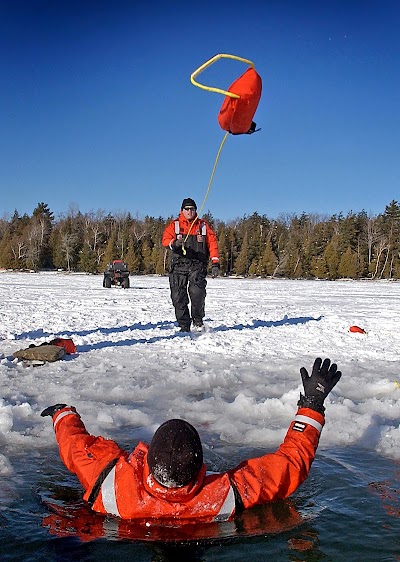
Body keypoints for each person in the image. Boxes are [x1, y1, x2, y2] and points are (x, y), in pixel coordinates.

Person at [41, 357, 341, 523]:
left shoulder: (108, 481)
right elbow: (291, 464)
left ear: (146, 460)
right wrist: (312, 406)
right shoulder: (228, 494)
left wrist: (62, 414)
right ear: (201, 467)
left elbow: (75, 445)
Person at [161, 198, 220, 332]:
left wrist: (215, 262)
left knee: (197, 294)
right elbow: (165, 240)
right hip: (178, 266)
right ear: (182, 210)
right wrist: (174, 243)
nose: (189, 211)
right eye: (186, 209)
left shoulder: (203, 226)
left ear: (195, 210)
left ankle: (198, 321)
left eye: (192, 209)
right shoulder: (174, 225)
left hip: (197, 266)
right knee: (178, 297)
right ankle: (183, 325)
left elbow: (213, 244)